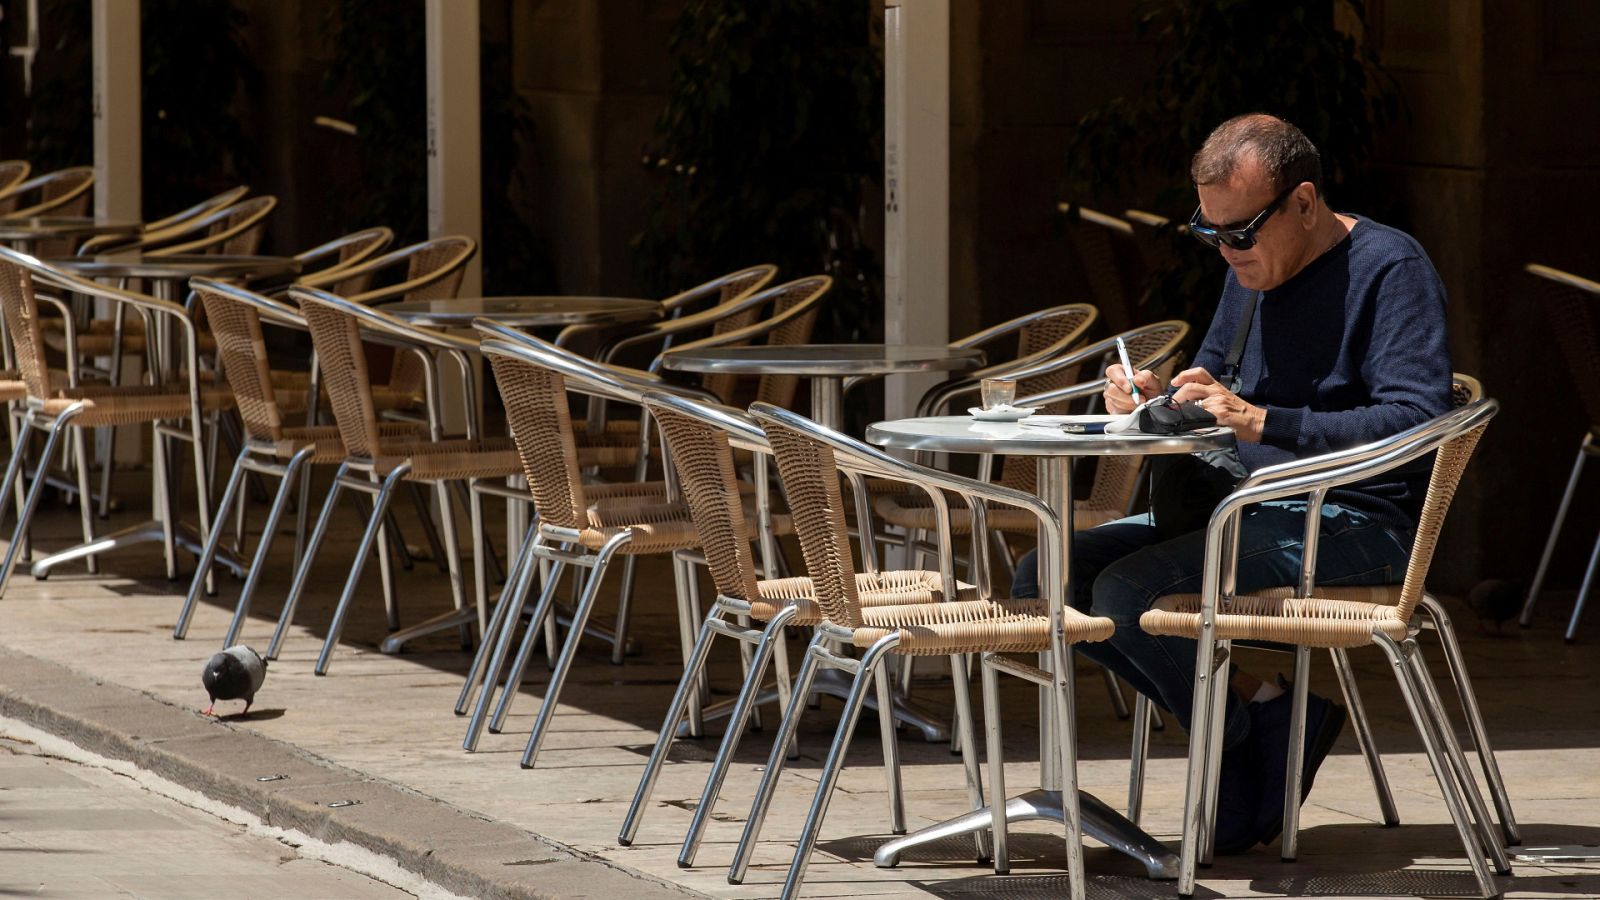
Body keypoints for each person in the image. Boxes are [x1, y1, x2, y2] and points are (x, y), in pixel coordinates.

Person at [1013, 113, 1454, 853]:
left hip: (1356, 523)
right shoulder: (1247, 274)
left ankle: (1251, 752)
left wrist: (1261, 420)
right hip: (1238, 507)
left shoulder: (1390, 268)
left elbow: (1416, 421)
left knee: (1129, 593)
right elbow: (1215, 388)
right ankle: (1265, 718)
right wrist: (1154, 400)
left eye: (1241, 231)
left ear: (1304, 204)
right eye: (1209, 231)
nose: (1226, 249)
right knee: (1043, 579)